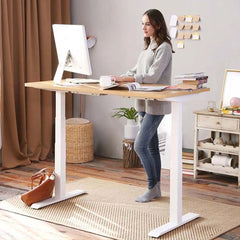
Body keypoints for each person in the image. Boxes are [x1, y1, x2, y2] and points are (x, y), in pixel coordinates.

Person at [112, 9, 174, 203]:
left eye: (147, 24)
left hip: (156, 104)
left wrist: (127, 78)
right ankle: (155, 189)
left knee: (140, 145)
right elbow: (136, 70)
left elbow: (152, 77)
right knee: (153, 148)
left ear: (158, 25)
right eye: (142, 24)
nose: (143, 27)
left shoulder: (163, 47)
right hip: (143, 103)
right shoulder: (147, 48)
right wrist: (116, 78)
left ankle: (150, 186)